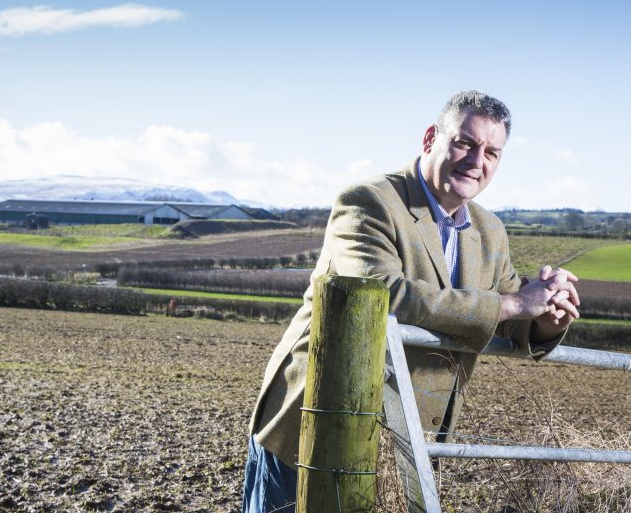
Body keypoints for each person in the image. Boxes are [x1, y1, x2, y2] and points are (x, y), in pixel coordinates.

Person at [242, 90, 580, 511]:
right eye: (464, 143)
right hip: (316, 423)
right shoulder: (369, 201)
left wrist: (550, 310)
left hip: (408, 442)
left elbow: (513, 315)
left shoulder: (490, 230)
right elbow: (383, 295)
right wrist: (512, 305)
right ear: (429, 139)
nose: (477, 162)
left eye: (492, 152)